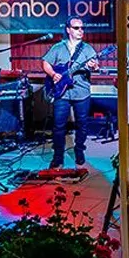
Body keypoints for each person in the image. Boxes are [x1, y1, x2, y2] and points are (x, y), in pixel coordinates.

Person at [41, 17, 100, 169]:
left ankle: (79, 151)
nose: (81, 30)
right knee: (58, 126)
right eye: (76, 28)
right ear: (68, 30)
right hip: (62, 93)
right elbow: (45, 63)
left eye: (82, 28)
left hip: (82, 92)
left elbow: (96, 66)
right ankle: (58, 157)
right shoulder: (58, 47)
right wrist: (53, 74)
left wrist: (94, 66)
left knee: (82, 124)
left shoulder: (87, 49)